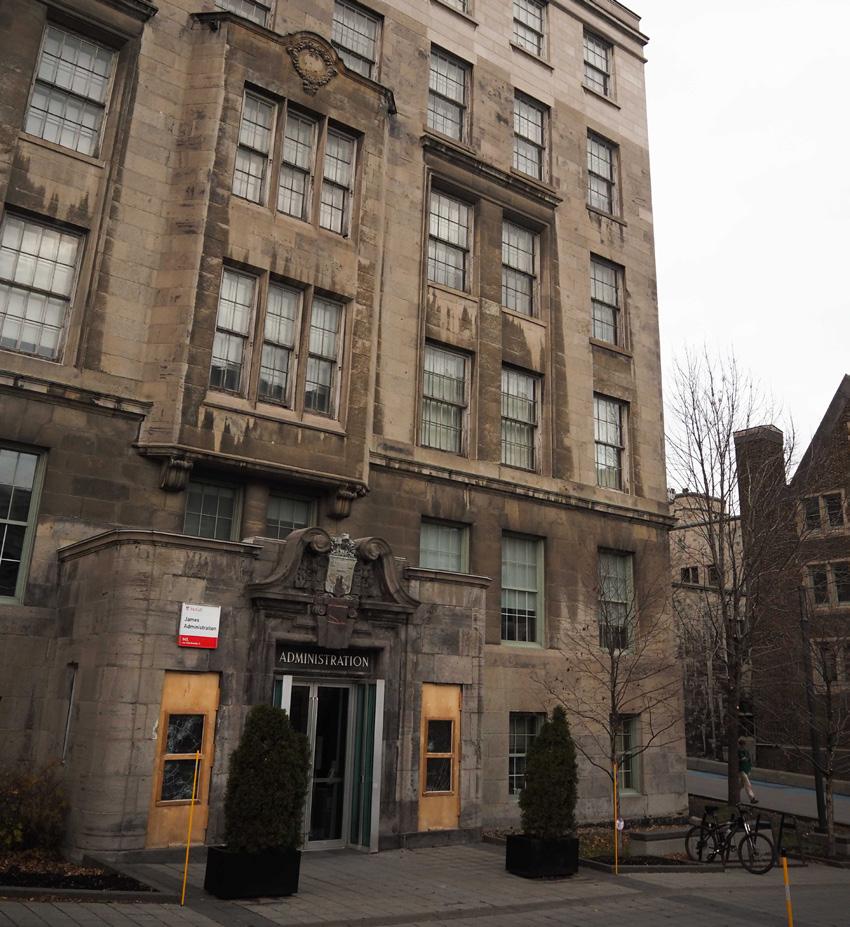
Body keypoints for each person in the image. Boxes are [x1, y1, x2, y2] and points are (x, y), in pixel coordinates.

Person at [738, 737, 758, 804]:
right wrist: (742, 759)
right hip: (741, 770)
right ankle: (752, 798)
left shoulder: (746, 751)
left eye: (743, 744)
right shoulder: (738, 751)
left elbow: (749, 761)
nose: (743, 745)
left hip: (746, 769)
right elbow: (741, 760)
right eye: (742, 744)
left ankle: (736, 794)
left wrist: (749, 769)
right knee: (748, 784)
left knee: (741, 785)